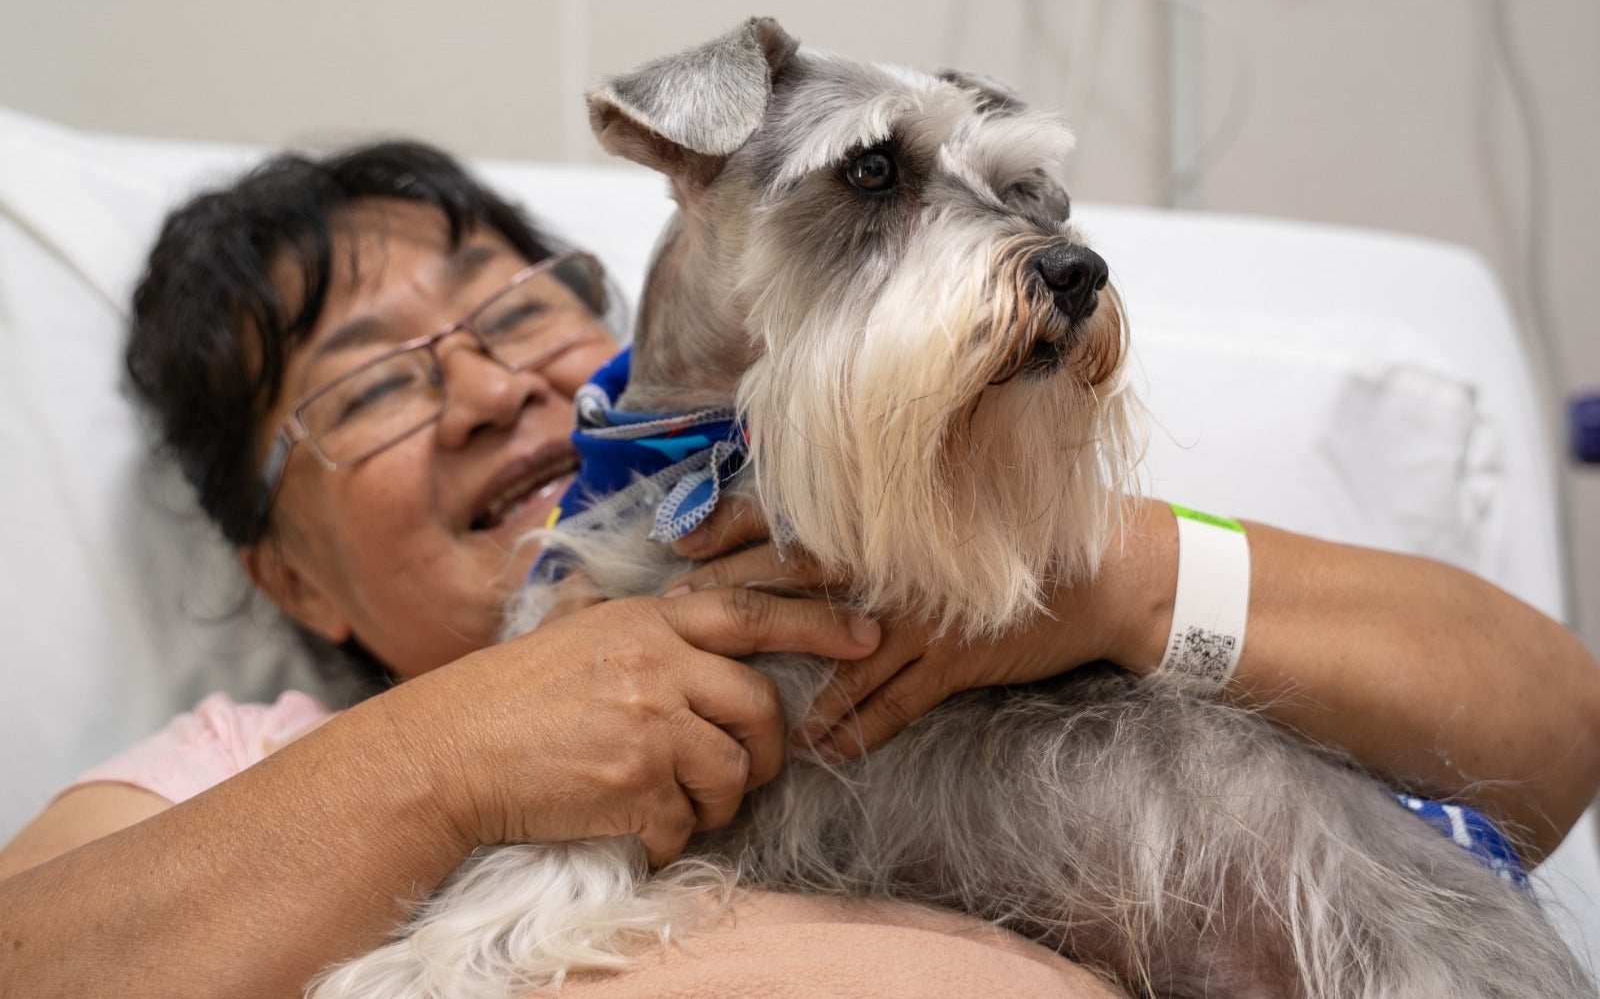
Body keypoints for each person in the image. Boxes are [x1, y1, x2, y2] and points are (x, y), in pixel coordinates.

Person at [1, 141, 1597, 997]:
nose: (488, 386)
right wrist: (458, 754)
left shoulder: (949, 538)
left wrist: (1107, 585)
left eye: (516, 310)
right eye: (370, 384)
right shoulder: (241, 767)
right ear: (290, 577)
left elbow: (1551, 735)